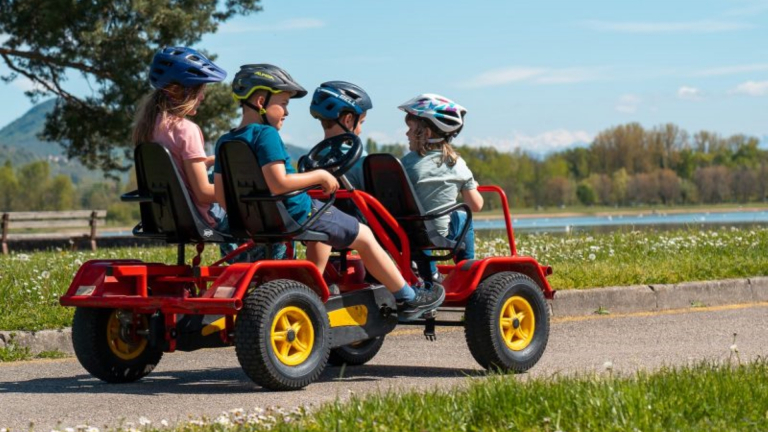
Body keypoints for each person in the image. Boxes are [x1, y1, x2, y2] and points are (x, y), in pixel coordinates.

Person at [212, 64, 444, 320]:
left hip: (259, 221)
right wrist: (320, 176)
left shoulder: (226, 141)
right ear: (260, 101)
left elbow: (223, 195)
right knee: (364, 235)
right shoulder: (266, 134)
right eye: (284, 103)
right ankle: (408, 298)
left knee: (322, 233)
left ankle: (311, 291)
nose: (287, 112)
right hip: (298, 212)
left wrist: (253, 214)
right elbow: (279, 183)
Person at [132, 46, 225, 228]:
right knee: (258, 207)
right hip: (200, 221)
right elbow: (204, 193)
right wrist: (237, 193)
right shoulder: (186, 130)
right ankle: (248, 256)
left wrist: (206, 162)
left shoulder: (147, 128)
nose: (202, 97)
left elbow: (175, 172)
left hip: (166, 219)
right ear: (178, 91)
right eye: (200, 90)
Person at [397, 94, 484, 280]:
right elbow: (476, 205)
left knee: (421, 225)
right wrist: (471, 186)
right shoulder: (457, 165)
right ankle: (466, 269)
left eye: (410, 129)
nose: (406, 134)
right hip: (439, 235)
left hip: (404, 234)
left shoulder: (404, 164)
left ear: (426, 134)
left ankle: (430, 276)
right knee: (461, 216)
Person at [309, 81, 372, 190]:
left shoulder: (311, 160)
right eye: (361, 123)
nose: (360, 130)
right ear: (348, 120)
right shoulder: (360, 159)